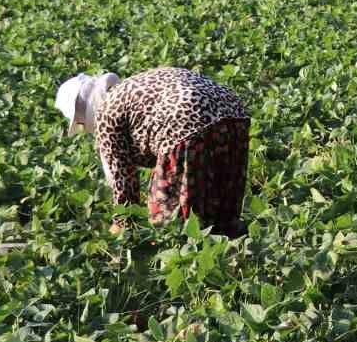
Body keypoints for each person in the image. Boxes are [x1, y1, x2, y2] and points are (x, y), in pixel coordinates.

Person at [56, 67, 251, 237]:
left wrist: (119, 230)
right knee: (223, 211)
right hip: (233, 112)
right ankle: (234, 255)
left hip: (186, 120)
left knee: (171, 223)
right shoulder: (130, 88)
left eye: (80, 123)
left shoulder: (106, 112)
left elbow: (123, 185)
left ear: (83, 112)